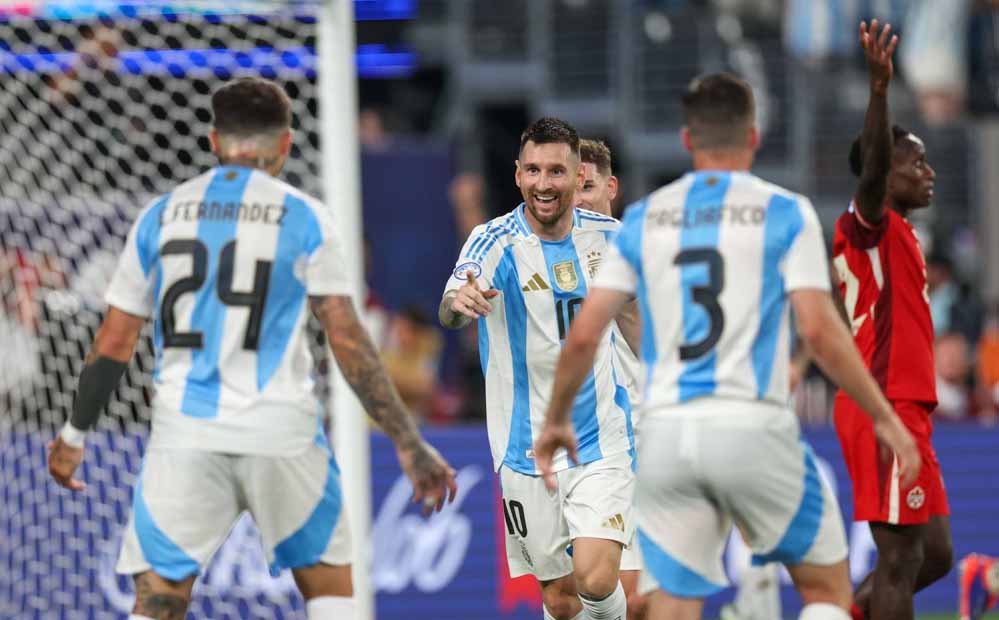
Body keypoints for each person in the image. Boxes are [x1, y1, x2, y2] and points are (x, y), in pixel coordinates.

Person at [46, 77, 457, 620]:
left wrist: (74, 434)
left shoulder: (161, 215)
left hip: (186, 436)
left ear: (214, 141)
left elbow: (114, 343)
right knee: (331, 592)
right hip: (281, 432)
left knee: (158, 602)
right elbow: (346, 337)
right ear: (285, 143)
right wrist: (408, 442)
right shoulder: (306, 216)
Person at [533, 64, 920, 620]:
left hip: (667, 436)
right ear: (754, 137)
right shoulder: (783, 211)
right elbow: (818, 329)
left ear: (687, 140)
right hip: (752, 427)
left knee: (673, 604)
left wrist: (555, 419)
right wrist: (884, 418)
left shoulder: (644, 219)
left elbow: (583, 335)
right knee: (825, 590)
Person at [439, 118, 641, 620]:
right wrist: (458, 301)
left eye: (555, 171)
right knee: (561, 598)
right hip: (522, 447)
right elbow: (453, 299)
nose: (543, 183)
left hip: (601, 438)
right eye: (532, 170)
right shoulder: (494, 241)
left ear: (577, 176)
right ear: (517, 174)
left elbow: (640, 316)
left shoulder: (612, 239)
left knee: (598, 579)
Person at [830, 19, 954, 620]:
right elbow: (874, 170)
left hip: (907, 406)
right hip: (883, 404)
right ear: (885, 173)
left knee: (935, 555)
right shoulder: (868, 223)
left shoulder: (899, 232)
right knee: (901, 558)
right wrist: (879, 91)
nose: (928, 172)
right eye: (917, 162)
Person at [577, 138, 645, 620]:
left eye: (588, 187)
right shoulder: (548, 256)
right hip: (582, 440)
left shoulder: (636, 249)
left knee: (634, 595)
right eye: (572, 188)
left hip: (643, 432)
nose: (578, 199)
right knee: (570, 594)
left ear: (611, 187)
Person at [958, 553, 999, 620]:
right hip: (973, 572)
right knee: (972, 610)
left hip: (984, 574)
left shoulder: (992, 568)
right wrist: (965, 614)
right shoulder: (971, 570)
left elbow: (993, 595)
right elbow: (966, 594)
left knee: (978, 611)